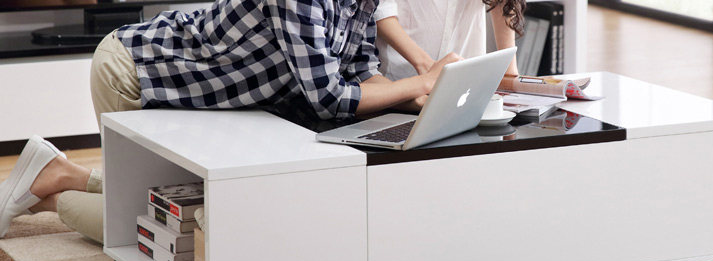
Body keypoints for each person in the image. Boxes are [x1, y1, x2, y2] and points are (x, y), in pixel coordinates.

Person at [0, 0, 465, 243]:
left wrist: (422, 99)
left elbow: (360, 72)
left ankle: (62, 171)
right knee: (159, 227)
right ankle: (48, 192)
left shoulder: (360, 1)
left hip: (206, 94)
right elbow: (329, 96)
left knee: (192, 206)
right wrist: (423, 80)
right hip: (141, 74)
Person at [373, 0, 524, 82]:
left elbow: (502, 2)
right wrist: (425, 65)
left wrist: (509, 73)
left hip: (466, 82)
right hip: (402, 79)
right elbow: (379, 9)